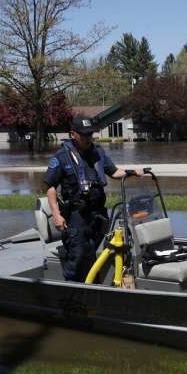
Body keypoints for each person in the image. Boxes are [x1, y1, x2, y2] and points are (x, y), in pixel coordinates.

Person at [44, 118, 130, 281]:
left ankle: (94, 285)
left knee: (99, 250)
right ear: (73, 134)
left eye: (90, 134)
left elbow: (114, 172)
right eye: (84, 135)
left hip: (98, 213)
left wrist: (133, 172)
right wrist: (56, 215)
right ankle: (71, 293)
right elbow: (50, 188)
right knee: (78, 254)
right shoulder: (62, 156)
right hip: (76, 216)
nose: (88, 138)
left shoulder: (97, 152)